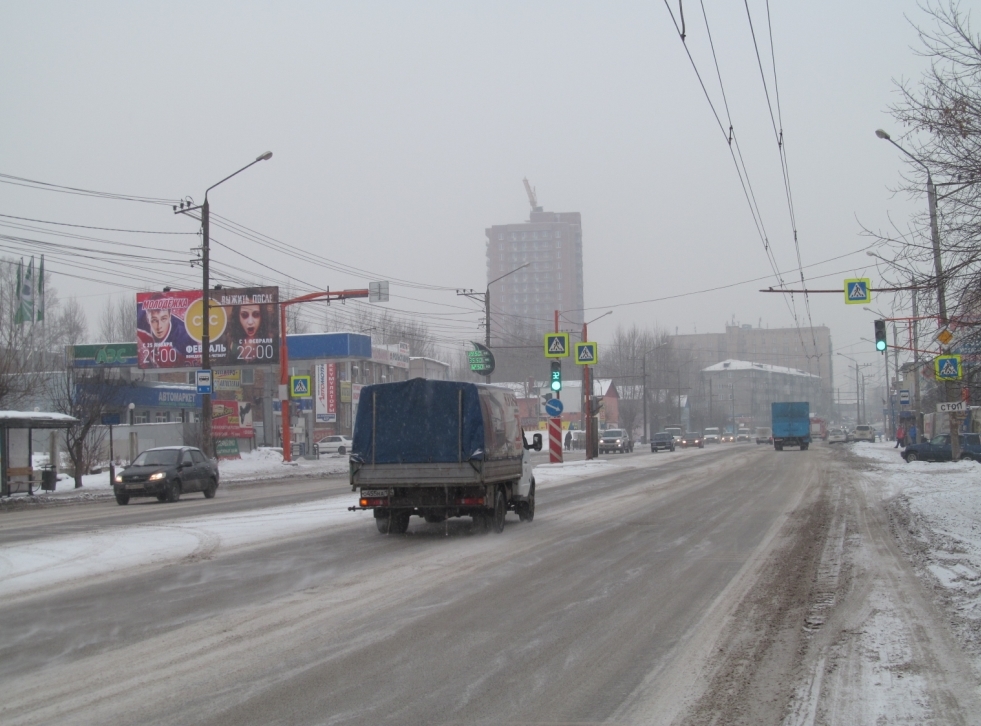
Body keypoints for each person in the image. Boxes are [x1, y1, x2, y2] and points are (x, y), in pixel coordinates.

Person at [137, 298, 194, 368]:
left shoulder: (184, 336)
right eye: (154, 320)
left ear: (170, 316)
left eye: (163, 319)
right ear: (147, 318)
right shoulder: (139, 315)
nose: (159, 326)